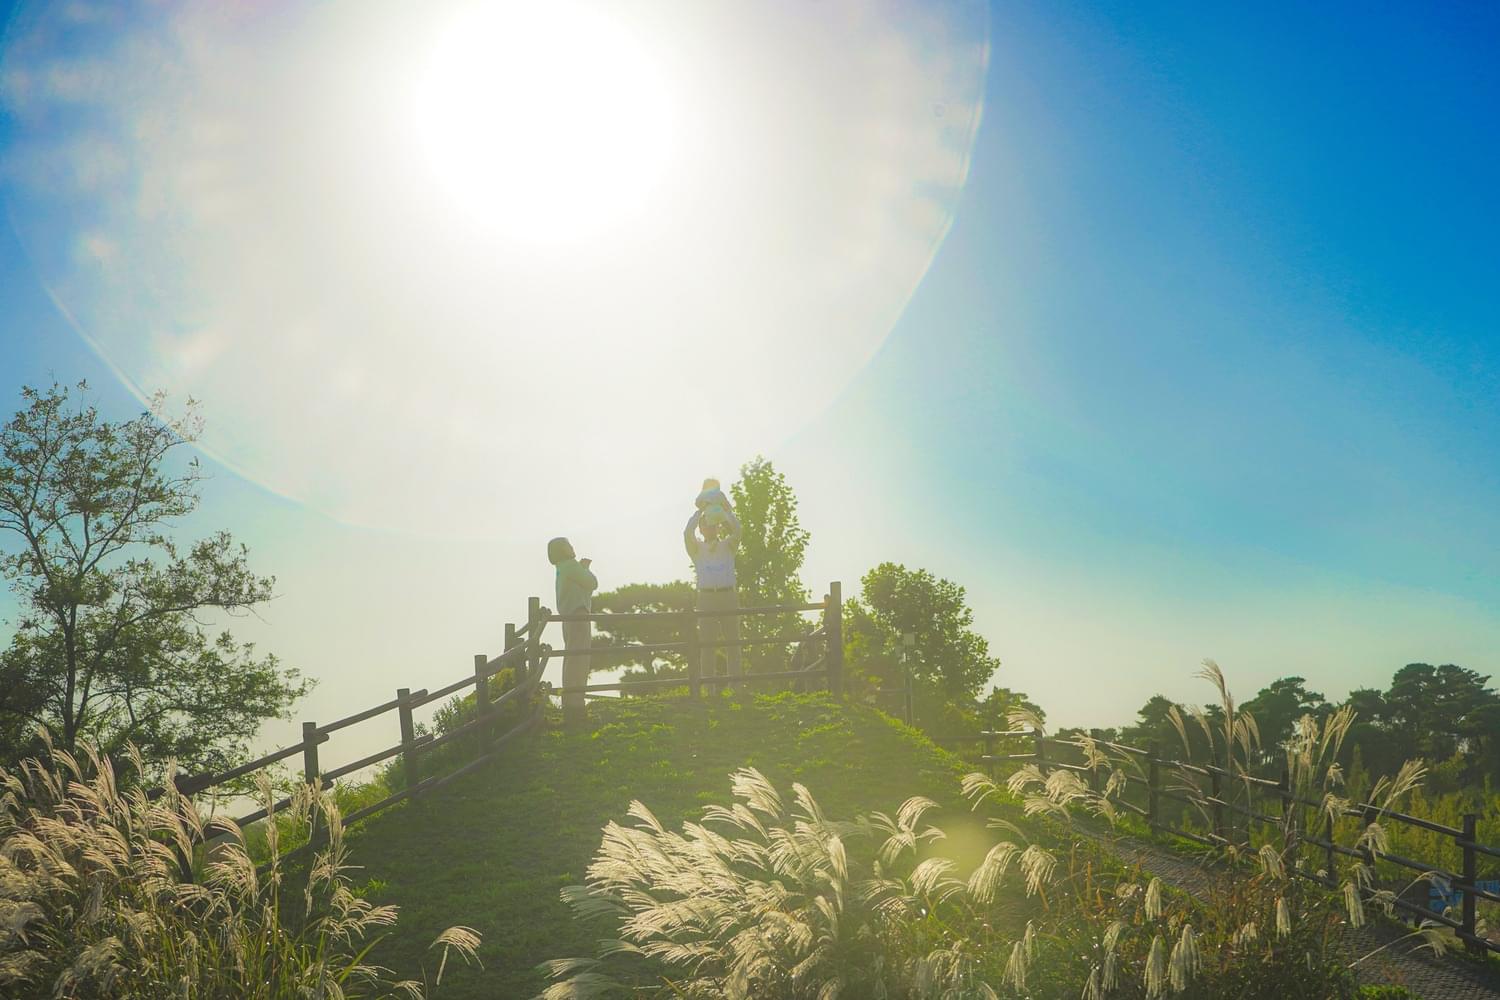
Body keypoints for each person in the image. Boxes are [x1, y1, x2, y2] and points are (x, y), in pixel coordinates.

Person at [683, 487, 742, 684]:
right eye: (705, 526)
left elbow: (738, 531)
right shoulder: (696, 549)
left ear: (718, 527)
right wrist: (701, 510)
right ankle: (709, 689)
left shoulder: (728, 545)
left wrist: (726, 511)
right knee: (707, 646)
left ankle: (736, 688)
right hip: (706, 597)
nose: (709, 528)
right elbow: (687, 532)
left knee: (733, 643)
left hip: (728, 595)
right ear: (701, 529)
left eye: (712, 525)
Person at [547, 536, 597, 726]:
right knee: (579, 660)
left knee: (572, 658)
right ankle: (575, 706)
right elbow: (592, 583)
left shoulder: (562, 567)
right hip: (578, 615)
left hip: (570, 616)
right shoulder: (570, 565)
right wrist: (585, 568)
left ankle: (572, 704)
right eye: (568, 545)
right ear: (563, 550)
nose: (572, 548)